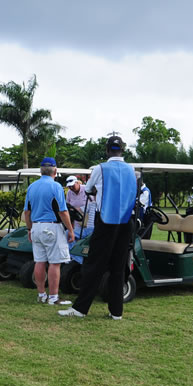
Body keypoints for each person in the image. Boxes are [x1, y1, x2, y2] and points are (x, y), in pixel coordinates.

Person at [59, 136, 137, 320]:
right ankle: (116, 311)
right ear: (122, 150)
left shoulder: (100, 168)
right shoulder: (132, 170)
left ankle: (81, 308)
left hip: (106, 221)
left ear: (107, 150)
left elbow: (88, 189)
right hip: (126, 222)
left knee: (94, 265)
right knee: (119, 266)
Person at [23, 157, 76, 305]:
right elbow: (63, 211)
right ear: (55, 171)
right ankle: (53, 297)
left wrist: (29, 229)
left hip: (36, 227)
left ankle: (41, 294)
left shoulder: (31, 187)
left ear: (41, 171)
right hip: (51, 227)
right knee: (55, 263)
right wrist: (71, 230)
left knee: (39, 261)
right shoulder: (56, 186)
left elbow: (27, 212)